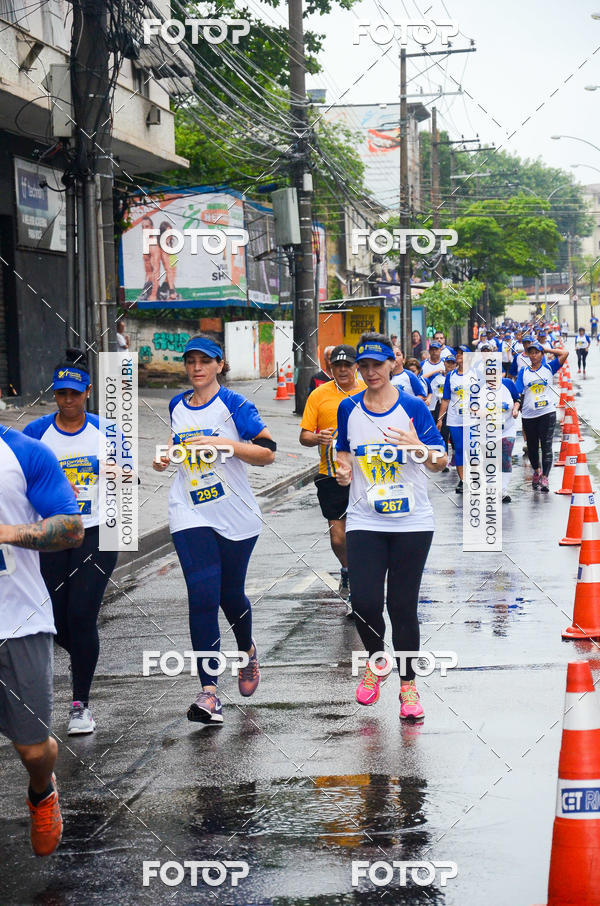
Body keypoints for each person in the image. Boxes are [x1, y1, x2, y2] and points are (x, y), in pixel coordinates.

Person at [153, 336, 276, 725]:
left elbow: (267, 452)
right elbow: (180, 450)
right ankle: (209, 692)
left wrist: (227, 444)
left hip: (236, 515)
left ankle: (247, 651)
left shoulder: (235, 405)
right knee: (202, 595)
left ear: (220, 365)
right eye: (190, 361)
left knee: (230, 595)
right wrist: (164, 458)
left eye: (205, 361)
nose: (196, 367)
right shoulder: (177, 405)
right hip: (190, 511)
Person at [335, 332, 447, 721]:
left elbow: (438, 461)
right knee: (364, 603)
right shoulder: (348, 408)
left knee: (402, 605)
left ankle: (408, 686)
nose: (369, 372)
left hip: (412, 521)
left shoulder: (413, 407)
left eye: (376, 365)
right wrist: (343, 471)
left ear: (391, 364)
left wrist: (418, 445)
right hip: (365, 519)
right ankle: (377, 661)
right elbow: (344, 454)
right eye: (362, 365)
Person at [23, 350, 120, 735]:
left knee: (81, 615)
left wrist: (120, 474)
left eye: (74, 393)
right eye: (61, 393)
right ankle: (83, 653)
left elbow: (129, 474)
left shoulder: (107, 430)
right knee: (55, 621)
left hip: (97, 532)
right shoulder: (35, 433)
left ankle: (80, 704)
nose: (68, 400)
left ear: (88, 393)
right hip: (52, 534)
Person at [0, 424, 83, 855]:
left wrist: (7, 532)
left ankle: (41, 791)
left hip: (19, 622)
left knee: (33, 750)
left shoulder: (25, 453)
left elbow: (71, 529)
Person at [300, 345, 365, 614]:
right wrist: (318, 437)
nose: (342, 370)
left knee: (363, 534)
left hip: (365, 474)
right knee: (339, 538)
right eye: (337, 366)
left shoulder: (368, 391)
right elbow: (303, 436)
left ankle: (361, 591)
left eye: (347, 365)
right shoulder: (319, 395)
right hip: (330, 474)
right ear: (330, 368)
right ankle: (348, 570)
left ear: (356, 367)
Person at [513, 341, 569, 491]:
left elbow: (565, 353)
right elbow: (518, 392)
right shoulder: (524, 372)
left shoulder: (549, 368)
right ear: (528, 355)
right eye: (531, 353)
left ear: (542, 354)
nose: (534, 355)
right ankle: (536, 471)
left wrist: (547, 348)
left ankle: (545, 477)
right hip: (529, 415)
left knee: (546, 445)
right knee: (532, 447)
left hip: (547, 413)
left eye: (537, 352)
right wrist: (516, 407)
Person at [436, 346, 472, 493]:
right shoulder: (451, 376)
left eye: (462, 354)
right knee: (459, 449)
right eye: (457, 354)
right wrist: (440, 419)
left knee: (472, 449)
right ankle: (463, 480)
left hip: (473, 419)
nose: (459, 356)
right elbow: (445, 399)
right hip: (455, 419)